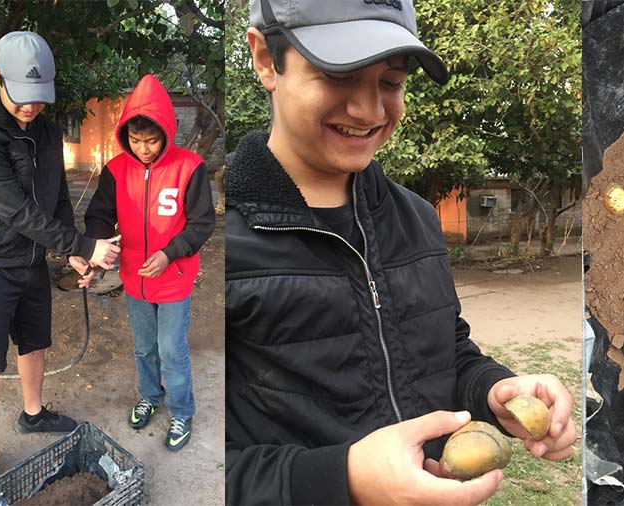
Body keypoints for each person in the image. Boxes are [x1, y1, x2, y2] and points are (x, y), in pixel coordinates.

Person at [225, 1, 579, 504]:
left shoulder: (417, 219)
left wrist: (493, 390)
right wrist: (341, 477)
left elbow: (444, 351)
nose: (370, 111)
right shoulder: (225, 243)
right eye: (337, 74)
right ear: (265, 60)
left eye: (390, 82)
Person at [0, 31, 120, 487]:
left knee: (35, 344)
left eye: (39, 99)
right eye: (23, 99)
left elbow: (54, 193)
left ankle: (33, 413)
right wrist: (84, 246)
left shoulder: (44, 128)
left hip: (28, 259)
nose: (31, 108)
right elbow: (16, 210)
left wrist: (72, 251)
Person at [82, 73, 215, 451]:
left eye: (151, 140)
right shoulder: (115, 169)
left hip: (173, 277)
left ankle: (182, 412)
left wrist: (170, 252)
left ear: (167, 132)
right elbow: (98, 215)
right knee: (143, 347)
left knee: (171, 349)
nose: (143, 149)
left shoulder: (190, 167)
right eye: (136, 141)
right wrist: (95, 246)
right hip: (135, 278)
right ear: (127, 135)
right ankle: (149, 396)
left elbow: (203, 222)